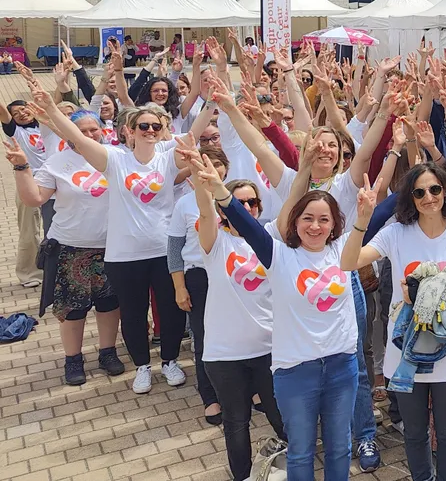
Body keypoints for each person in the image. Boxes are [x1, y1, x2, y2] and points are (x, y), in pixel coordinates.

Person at [35, 88, 192, 395]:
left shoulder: (167, 159)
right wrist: (53, 111)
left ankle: (170, 361)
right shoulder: (115, 160)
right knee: (132, 313)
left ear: (162, 131)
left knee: (171, 310)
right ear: (128, 131)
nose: (149, 131)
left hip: (163, 251)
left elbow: (195, 133)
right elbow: (79, 140)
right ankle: (143, 366)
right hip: (124, 255)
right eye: (142, 126)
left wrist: (214, 100)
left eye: (155, 126)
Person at [216, 176, 372, 481]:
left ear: (334, 224)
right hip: (297, 371)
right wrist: (219, 192)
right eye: (308, 218)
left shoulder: (343, 248)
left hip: (342, 366)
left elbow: (379, 216)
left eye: (324, 220)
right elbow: (244, 223)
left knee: (339, 447)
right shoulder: (277, 253)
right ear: (294, 221)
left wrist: (406, 155)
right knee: (300, 450)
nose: (315, 226)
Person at [342, 162, 446, 481]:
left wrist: (426, 291)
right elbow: (348, 262)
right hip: (404, 353)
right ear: (410, 197)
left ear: (445, 191)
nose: (428, 197)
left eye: (435, 189)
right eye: (419, 192)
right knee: (415, 433)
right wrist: (363, 220)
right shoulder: (396, 233)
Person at [5, 111, 125, 386]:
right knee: (73, 309)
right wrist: (22, 167)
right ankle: (73, 359)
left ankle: (107, 352)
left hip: (113, 247)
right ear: (67, 133)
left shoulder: (114, 157)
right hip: (71, 248)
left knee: (109, 304)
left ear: (102, 131)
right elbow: (34, 198)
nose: (89, 134)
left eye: (94, 129)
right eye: (82, 130)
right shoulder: (57, 162)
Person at [188, 161, 287, 481]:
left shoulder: (271, 236)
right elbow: (205, 213)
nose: (246, 207)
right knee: (236, 421)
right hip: (224, 354)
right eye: (239, 201)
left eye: (252, 202)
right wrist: (202, 181)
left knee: (281, 417)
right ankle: (244, 477)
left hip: (270, 349)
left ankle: (292, 469)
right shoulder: (216, 242)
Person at [168, 146, 232, 424]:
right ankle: (211, 396)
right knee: (205, 338)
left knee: (238, 333)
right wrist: (179, 287)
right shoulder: (184, 204)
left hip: (233, 275)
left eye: (217, 163)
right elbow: (174, 250)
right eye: (205, 162)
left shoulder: (237, 197)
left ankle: (249, 391)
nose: (213, 168)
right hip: (199, 277)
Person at [1, 96, 48, 286]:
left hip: (53, 183)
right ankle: (29, 274)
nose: (21, 113)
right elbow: (3, 111)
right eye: (16, 113)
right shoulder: (15, 132)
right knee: (29, 230)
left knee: (56, 227)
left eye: (24, 108)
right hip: (29, 182)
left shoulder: (44, 127)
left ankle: (54, 269)